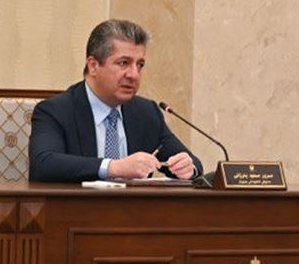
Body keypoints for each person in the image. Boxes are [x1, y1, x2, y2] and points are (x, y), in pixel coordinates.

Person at [29, 19, 202, 183]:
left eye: (140, 65)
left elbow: (194, 164)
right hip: (78, 205)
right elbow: (44, 164)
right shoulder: (55, 111)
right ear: (93, 66)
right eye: (124, 63)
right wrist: (114, 167)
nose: (134, 74)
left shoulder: (146, 112)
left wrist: (188, 167)